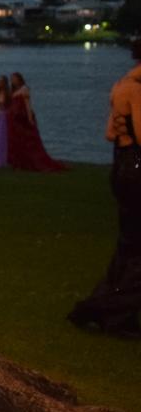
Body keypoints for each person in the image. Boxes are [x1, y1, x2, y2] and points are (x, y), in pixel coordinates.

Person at [67, 39, 141, 338]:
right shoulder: (136, 88)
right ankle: (108, 310)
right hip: (136, 171)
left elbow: (110, 131)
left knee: (128, 245)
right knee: (136, 249)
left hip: (123, 168)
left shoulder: (122, 84)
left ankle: (104, 309)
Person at [6, 72, 66, 172]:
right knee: (16, 141)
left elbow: (28, 104)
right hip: (14, 119)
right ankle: (19, 163)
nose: (12, 80)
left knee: (28, 141)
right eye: (11, 79)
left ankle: (32, 162)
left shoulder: (24, 89)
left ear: (19, 79)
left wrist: (30, 118)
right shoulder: (13, 90)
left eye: (14, 78)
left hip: (23, 118)